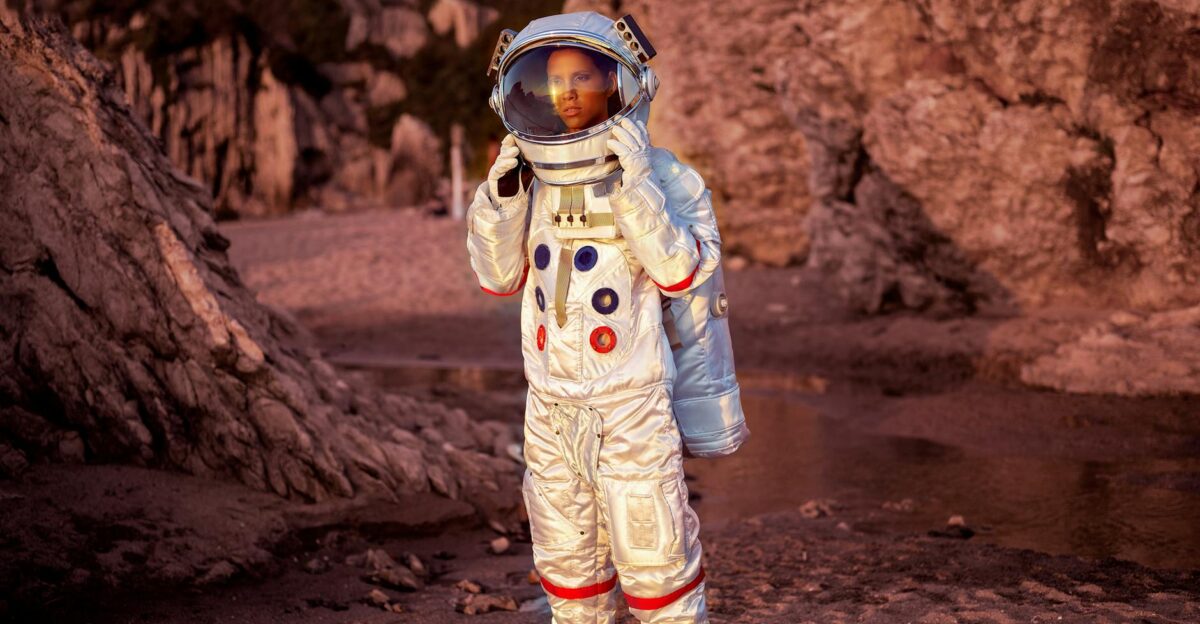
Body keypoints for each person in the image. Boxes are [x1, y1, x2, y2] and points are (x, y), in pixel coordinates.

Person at [466, 11, 739, 623]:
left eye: (582, 78)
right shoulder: (526, 180)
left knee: (655, 557)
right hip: (550, 403)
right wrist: (501, 200)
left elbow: (680, 272)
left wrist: (637, 183)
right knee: (569, 566)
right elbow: (496, 276)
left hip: (631, 402)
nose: (564, 95)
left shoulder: (665, 179)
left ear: (621, 84)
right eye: (550, 81)